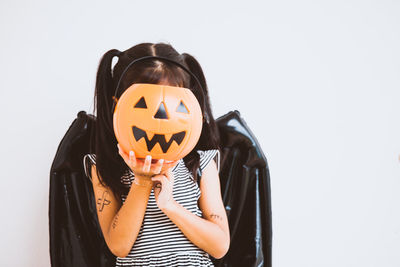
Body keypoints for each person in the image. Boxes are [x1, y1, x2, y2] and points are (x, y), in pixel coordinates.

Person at [82, 42, 230, 267]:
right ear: (118, 106)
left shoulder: (201, 163)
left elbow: (219, 246)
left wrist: (170, 205)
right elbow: (119, 246)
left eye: (177, 106)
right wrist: (141, 181)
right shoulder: (103, 167)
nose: (161, 116)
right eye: (143, 104)